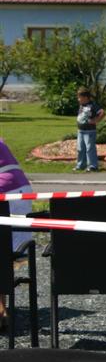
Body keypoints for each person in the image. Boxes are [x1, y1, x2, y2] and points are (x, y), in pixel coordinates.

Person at [0, 139, 33, 329]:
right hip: (19, 190)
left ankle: (1, 308)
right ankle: (2, 307)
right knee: (4, 248)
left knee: (2, 247)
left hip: (6, 192)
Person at [74, 87, 102, 172]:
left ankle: (93, 165)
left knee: (90, 148)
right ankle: (81, 165)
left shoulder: (92, 105)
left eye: (80, 97)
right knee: (80, 148)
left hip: (89, 131)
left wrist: (95, 120)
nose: (78, 99)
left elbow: (101, 112)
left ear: (85, 97)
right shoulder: (82, 105)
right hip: (81, 130)